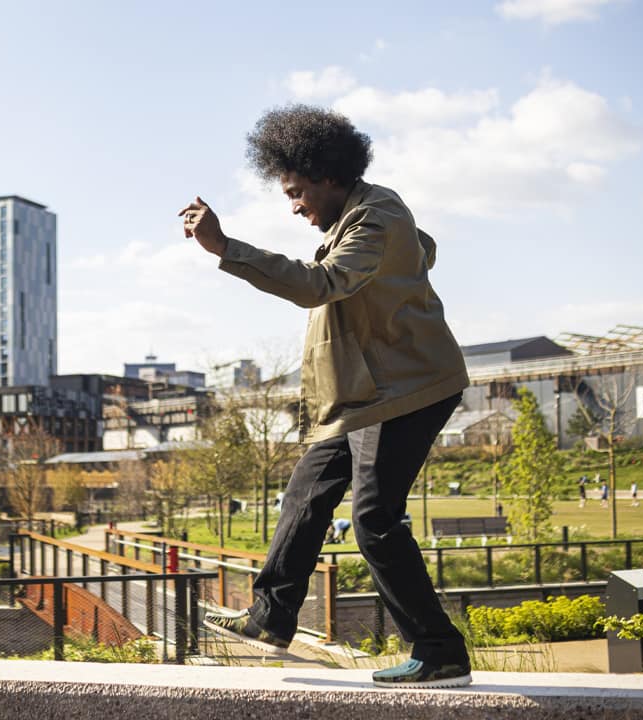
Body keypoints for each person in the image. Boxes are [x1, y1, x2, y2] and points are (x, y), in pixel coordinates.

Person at [182, 104, 471, 689]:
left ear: (329, 174)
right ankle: (270, 618)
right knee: (305, 495)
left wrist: (225, 247)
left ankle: (439, 651)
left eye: (296, 191)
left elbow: (322, 285)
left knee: (374, 519)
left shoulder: (376, 214)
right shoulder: (360, 221)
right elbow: (422, 249)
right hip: (360, 398)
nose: (293, 206)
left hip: (408, 390)